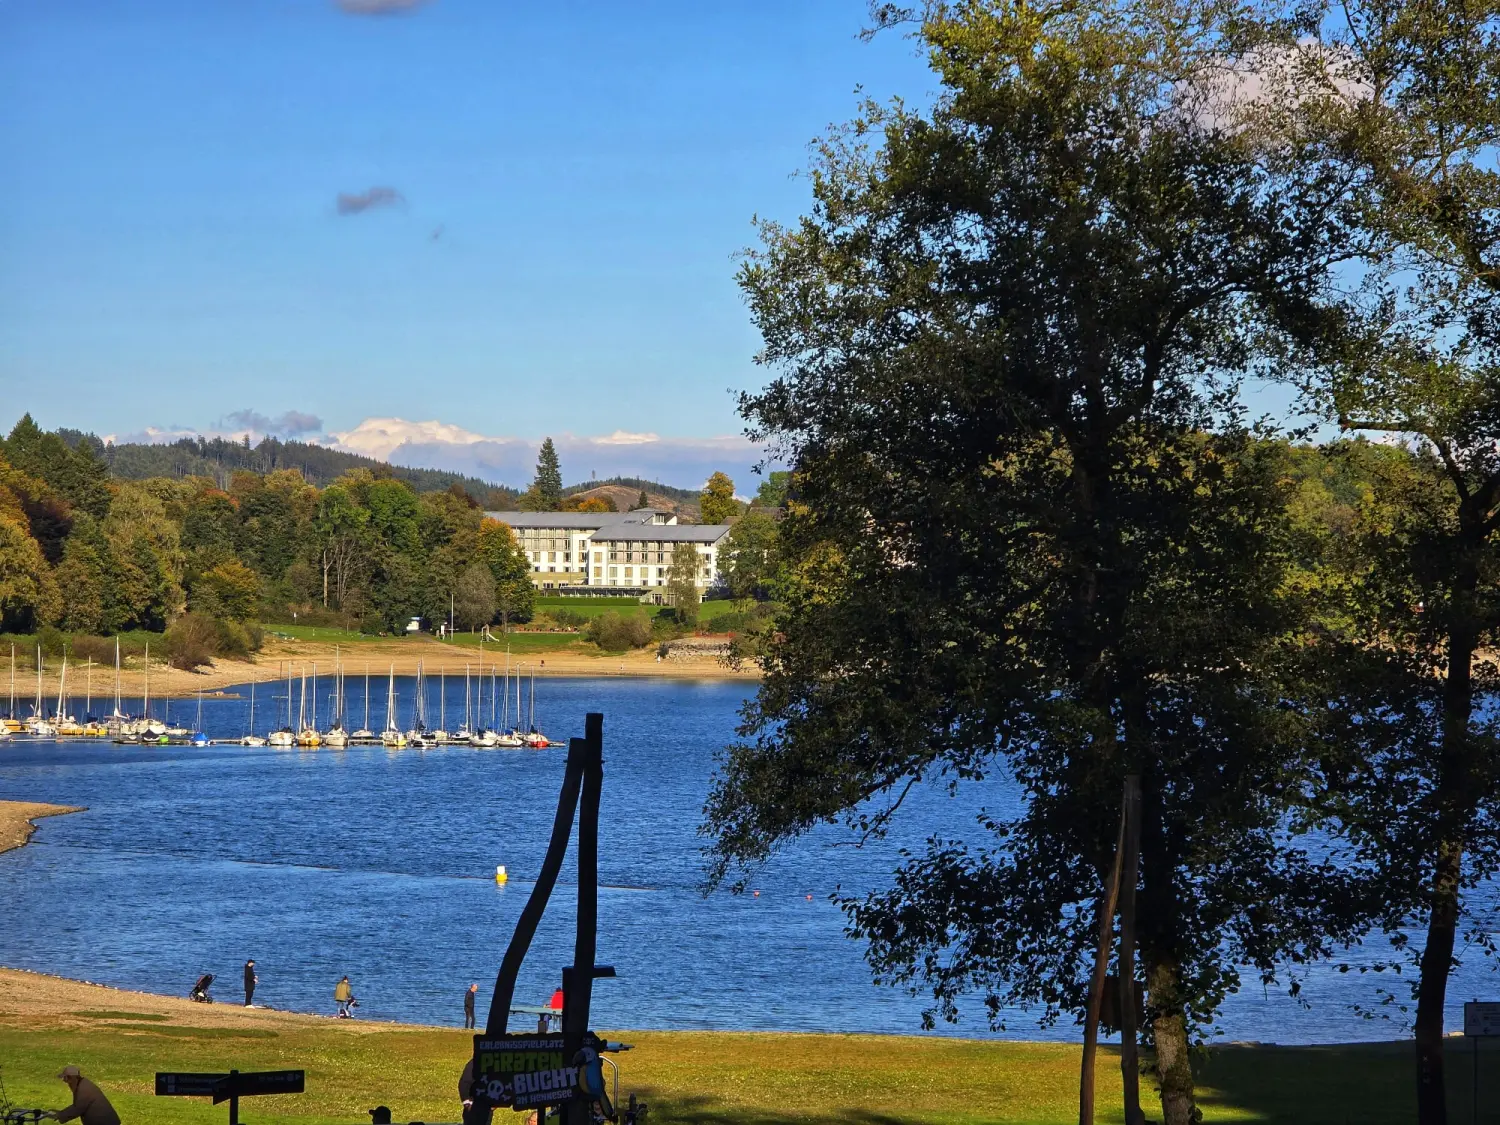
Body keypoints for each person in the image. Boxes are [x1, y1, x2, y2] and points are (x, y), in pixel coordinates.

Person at [46, 1066, 120, 1125]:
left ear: (73, 1078)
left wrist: (60, 1115)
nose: (65, 1081)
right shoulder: (82, 1084)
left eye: (67, 1078)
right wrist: (61, 1113)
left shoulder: (84, 1089)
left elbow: (77, 1108)